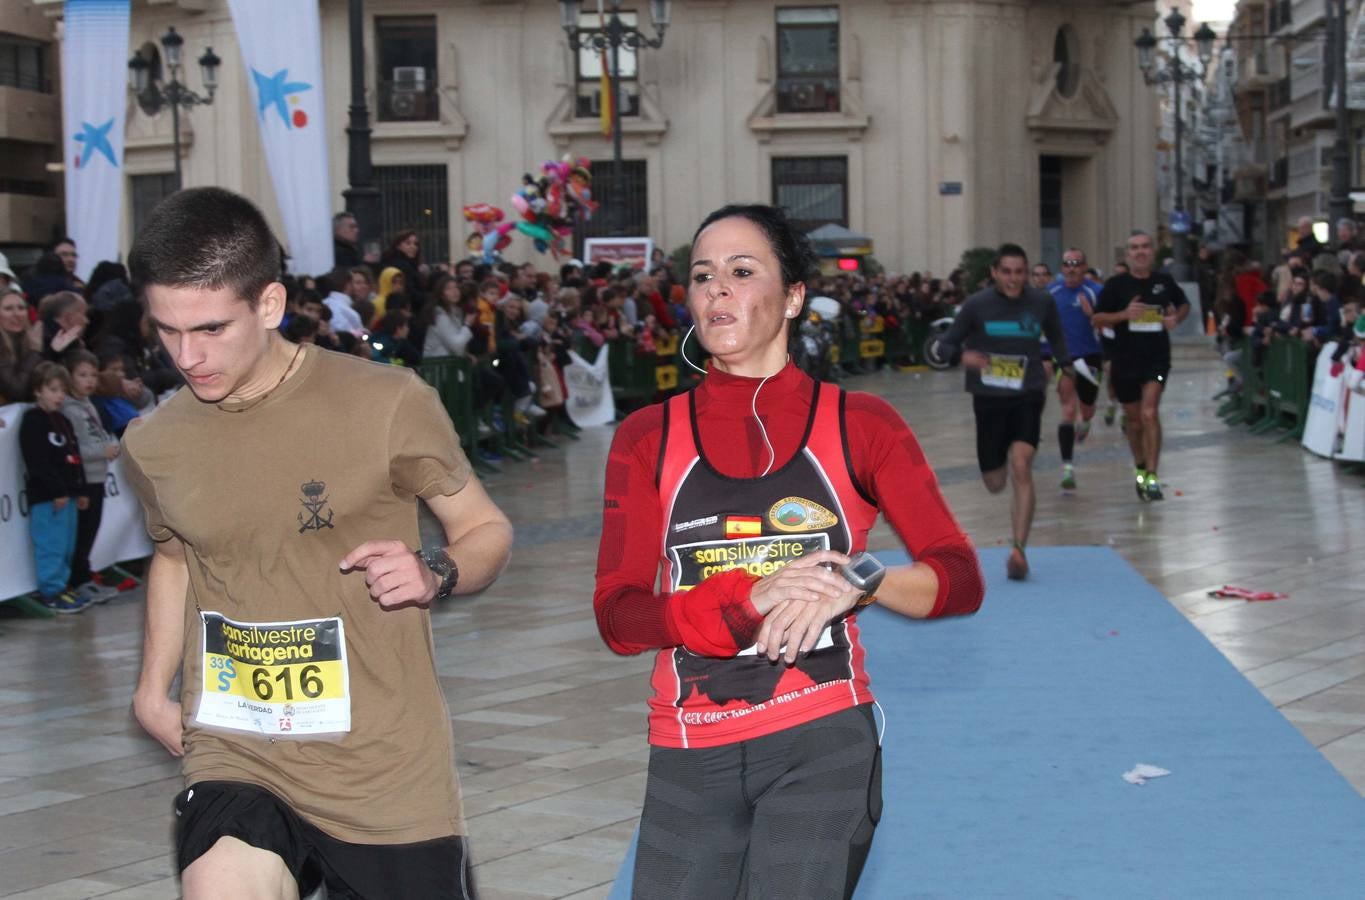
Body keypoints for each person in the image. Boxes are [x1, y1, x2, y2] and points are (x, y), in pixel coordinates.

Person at [122, 187, 513, 900]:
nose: (187, 355)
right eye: (167, 331)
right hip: (236, 747)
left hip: (382, 761)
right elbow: (177, 554)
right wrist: (153, 688)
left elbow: (485, 530)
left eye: (210, 329)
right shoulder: (154, 442)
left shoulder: (385, 402)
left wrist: (435, 571)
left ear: (269, 305)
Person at [594, 204, 983, 899]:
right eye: (703, 276)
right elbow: (620, 618)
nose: (718, 290)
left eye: (742, 272)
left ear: (794, 296)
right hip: (689, 745)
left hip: (821, 738)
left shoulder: (862, 424)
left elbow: (956, 577)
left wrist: (860, 580)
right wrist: (744, 604)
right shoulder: (645, 437)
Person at [933, 243, 1071, 580]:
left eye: (1019, 272)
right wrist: (963, 357)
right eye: (1006, 272)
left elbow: (1057, 339)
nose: (1013, 279)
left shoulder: (1041, 301)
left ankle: (1018, 550)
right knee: (995, 482)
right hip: (989, 399)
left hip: (1028, 394)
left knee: (1022, 465)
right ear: (994, 273)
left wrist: (1067, 369)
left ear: (1027, 273)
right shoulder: (977, 305)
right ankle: (1000, 472)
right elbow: (946, 344)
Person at [1092, 230, 1191, 501]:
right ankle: (1140, 470)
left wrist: (1175, 319)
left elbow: (1184, 305)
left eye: (1145, 247)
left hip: (1156, 357)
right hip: (1125, 359)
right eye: (1135, 248)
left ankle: (1152, 476)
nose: (1140, 252)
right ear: (1128, 254)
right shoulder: (1115, 285)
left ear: (1153, 251)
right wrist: (1125, 314)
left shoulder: (1164, 281)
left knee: (1149, 413)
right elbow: (1097, 319)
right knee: (1134, 422)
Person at [20, 362, 90, 614]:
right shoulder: (33, 421)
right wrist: (56, 490)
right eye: (53, 389)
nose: (59, 396)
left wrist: (80, 489)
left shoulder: (63, 420)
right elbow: (37, 461)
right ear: (38, 390)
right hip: (48, 498)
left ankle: (63, 584)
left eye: (62, 391)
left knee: (67, 544)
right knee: (51, 544)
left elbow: (75, 455)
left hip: (69, 495)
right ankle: (50, 590)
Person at [60, 349, 122, 603]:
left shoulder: (89, 405)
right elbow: (73, 447)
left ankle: (84, 577)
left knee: (91, 530)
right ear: (69, 377)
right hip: (83, 477)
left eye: (93, 375)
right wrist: (101, 450)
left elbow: (95, 434)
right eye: (82, 375)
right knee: (81, 532)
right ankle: (78, 580)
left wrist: (110, 444)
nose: (89, 381)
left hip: (97, 476)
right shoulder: (67, 409)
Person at [1048, 248, 1104, 491]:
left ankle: (1087, 421)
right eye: (1067, 264)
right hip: (1065, 358)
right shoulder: (1052, 293)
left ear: (1084, 267)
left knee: (1087, 408)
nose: (1072, 268)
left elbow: (1107, 325)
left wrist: (1093, 316)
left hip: (1090, 356)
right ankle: (1067, 467)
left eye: (1077, 264)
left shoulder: (1096, 292)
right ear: (1062, 268)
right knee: (1068, 409)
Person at [0, 288, 42, 404]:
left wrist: (54, 351)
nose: (17, 314)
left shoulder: (28, 339)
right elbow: (16, 391)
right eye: (8, 309)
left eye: (21, 308)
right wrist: (34, 352)